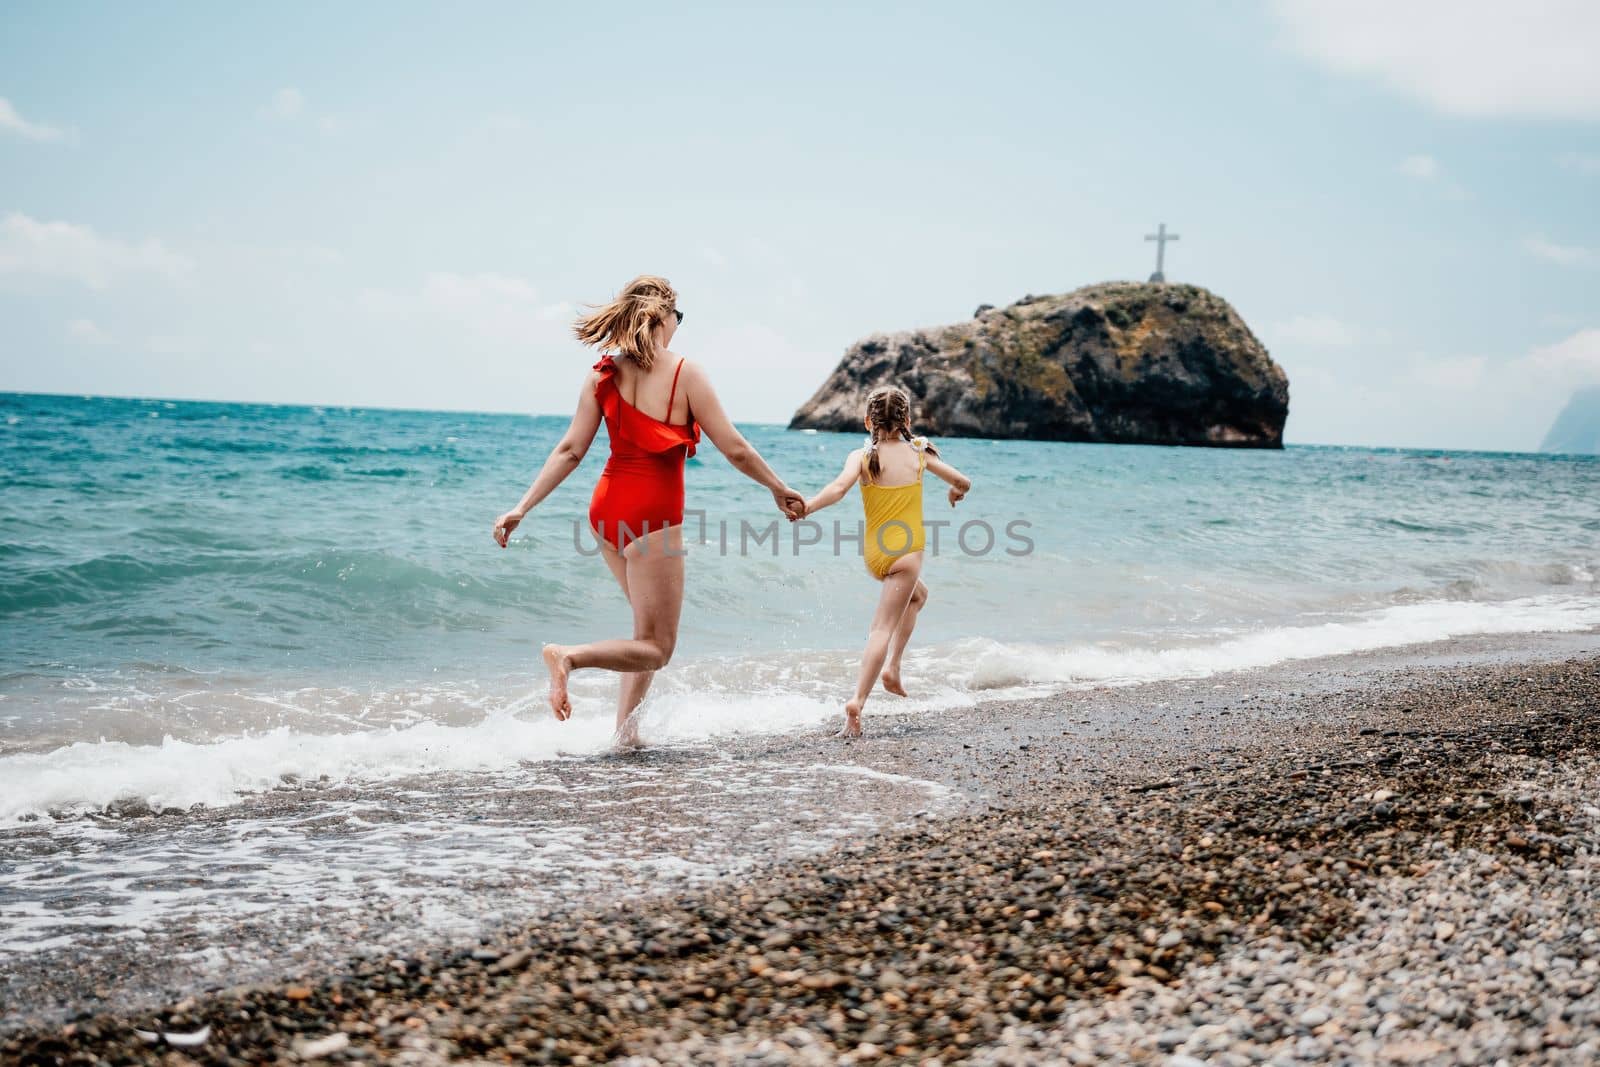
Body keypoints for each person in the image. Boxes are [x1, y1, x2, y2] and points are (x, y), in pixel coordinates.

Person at [492, 275, 805, 746]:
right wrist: (777, 488)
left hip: (606, 509)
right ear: (662, 316)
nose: (679, 325)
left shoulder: (603, 373)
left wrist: (522, 507)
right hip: (652, 516)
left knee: (643, 635)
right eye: (678, 316)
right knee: (658, 649)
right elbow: (735, 448)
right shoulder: (685, 373)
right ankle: (569, 657)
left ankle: (626, 735)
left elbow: (570, 451)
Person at [803, 384, 971, 737]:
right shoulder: (920, 453)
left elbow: (836, 490)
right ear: (908, 419)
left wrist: (807, 507)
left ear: (868, 421)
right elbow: (963, 481)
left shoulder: (861, 457)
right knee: (881, 629)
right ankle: (857, 702)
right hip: (907, 554)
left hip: (876, 555)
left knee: (918, 596)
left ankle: (892, 669)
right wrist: (954, 492)